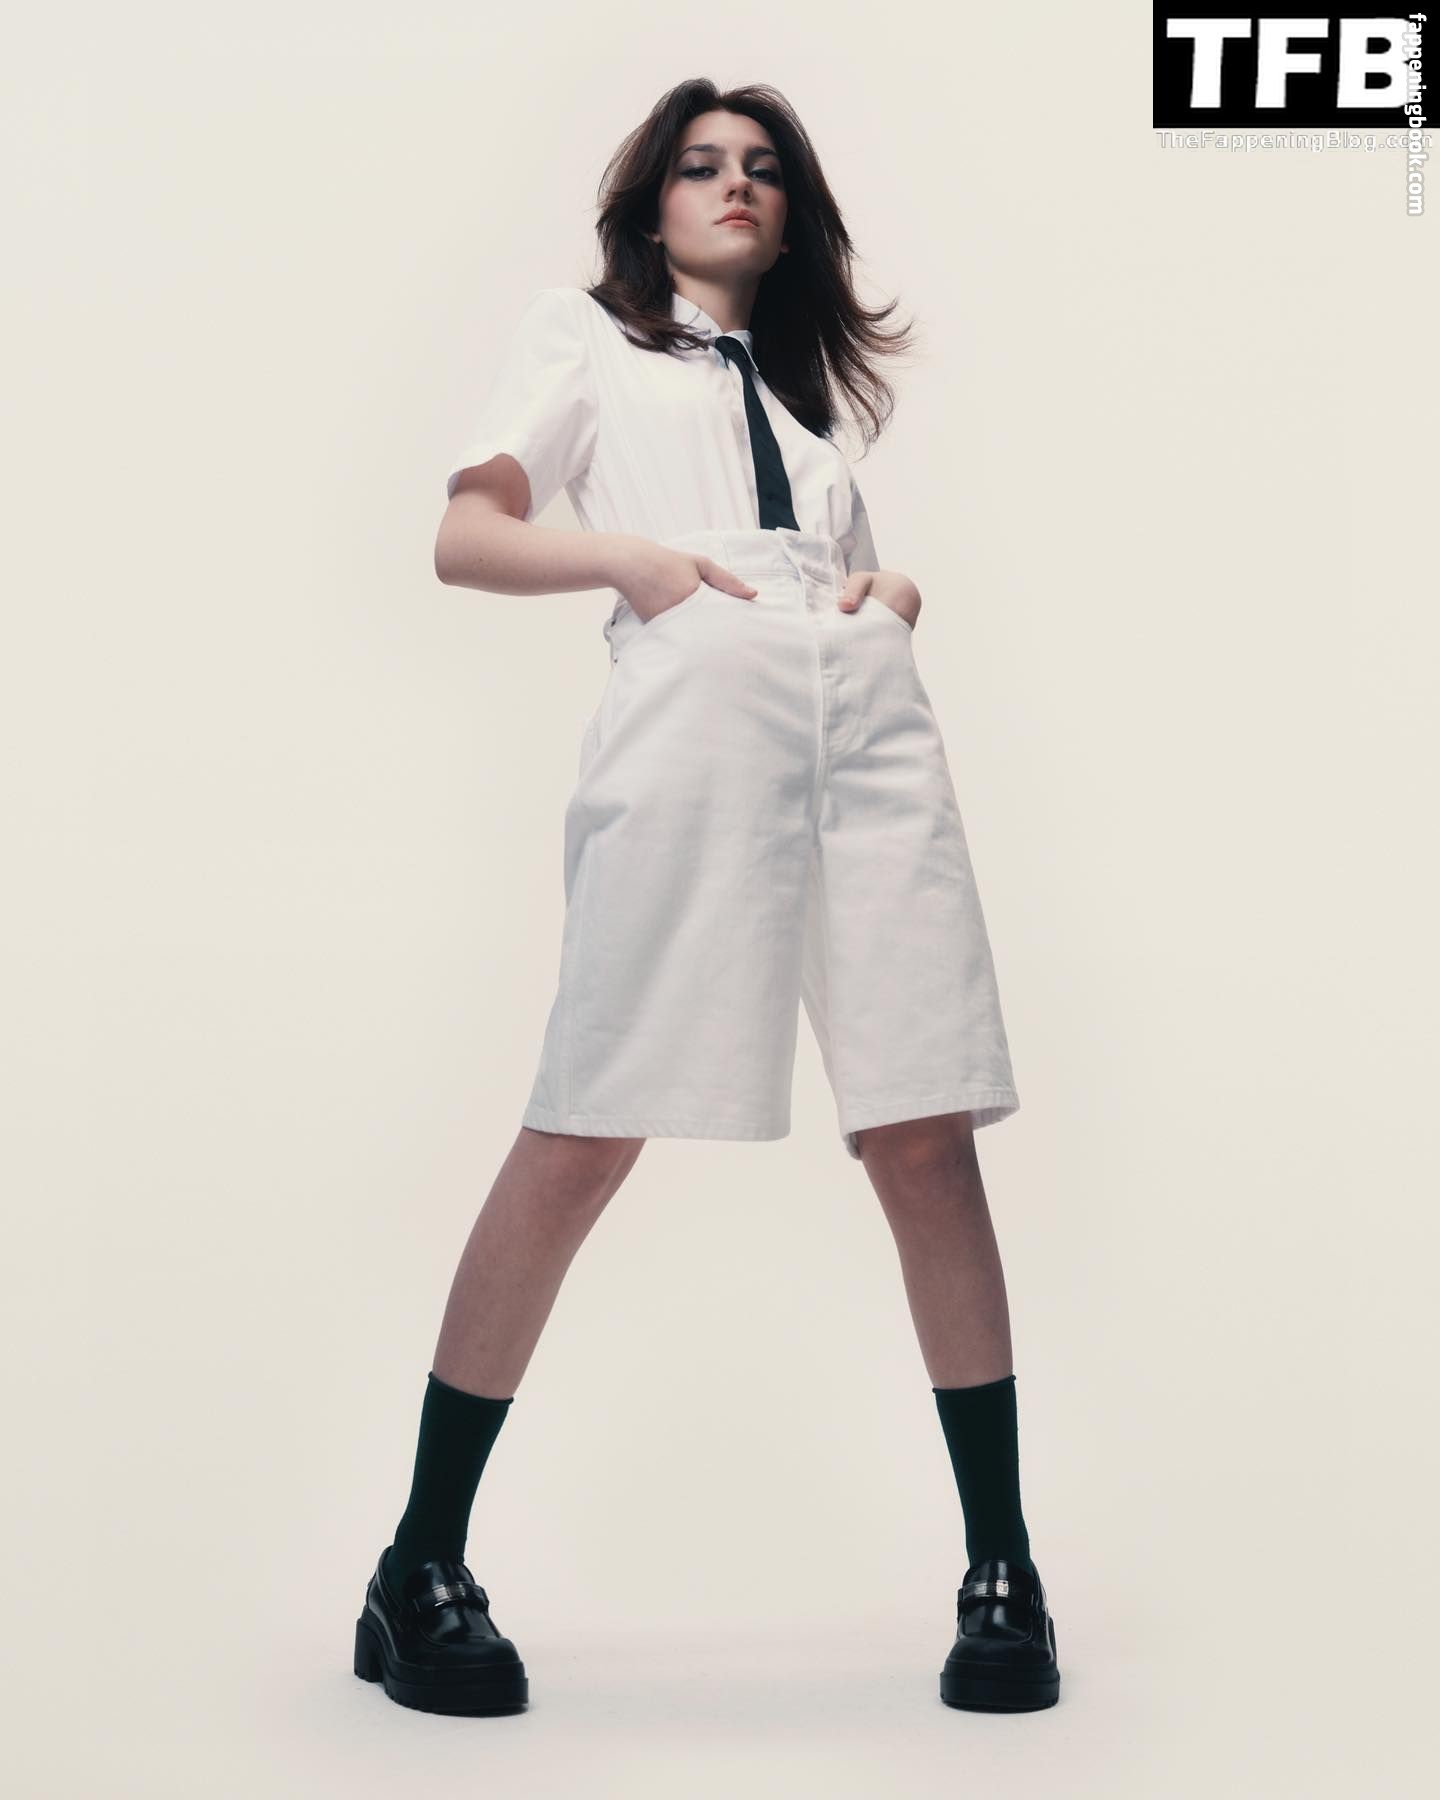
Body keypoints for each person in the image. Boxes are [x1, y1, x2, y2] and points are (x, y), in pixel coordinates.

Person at [352, 78, 1060, 1717]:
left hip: (866, 718)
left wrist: (888, 590)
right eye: (700, 165)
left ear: (791, 218)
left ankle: (1003, 1569)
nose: (733, 186)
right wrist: (637, 563)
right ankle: (419, 1562)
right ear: (651, 205)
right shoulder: (589, 342)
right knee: (590, 1120)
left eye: (761, 171)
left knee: (925, 1123)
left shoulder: (811, 415)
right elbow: (467, 534)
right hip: (694, 716)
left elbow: (837, 555)